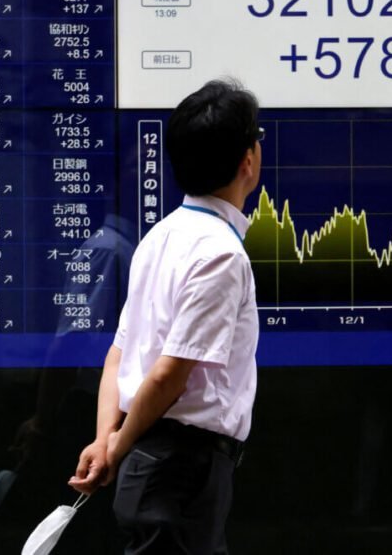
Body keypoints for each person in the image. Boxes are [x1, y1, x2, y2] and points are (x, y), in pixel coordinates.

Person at [68, 78, 263, 554]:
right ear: (248, 161)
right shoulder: (220, 253)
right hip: (181, 471)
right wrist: (114, 446)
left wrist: (106, 438)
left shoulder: (159, 236)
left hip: (155, 464)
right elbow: (170, 373)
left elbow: (120, 352)